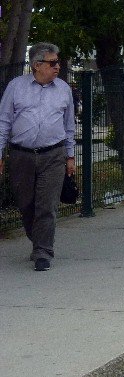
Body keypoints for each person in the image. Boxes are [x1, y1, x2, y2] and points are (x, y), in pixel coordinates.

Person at [0, 42, 77, 271]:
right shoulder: (16, 87)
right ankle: (38, 240)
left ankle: (43, 251)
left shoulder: (63, 89)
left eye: (58, 62)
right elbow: (3, 123)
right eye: (52, 63)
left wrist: (70, 157)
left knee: (47, 205)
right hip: (21, 155)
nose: (57, 67)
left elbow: (69, 125)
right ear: (36, 65)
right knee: (26, 204)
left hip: (53, 154)